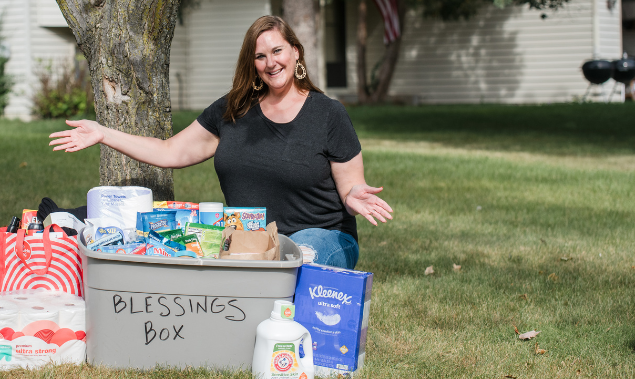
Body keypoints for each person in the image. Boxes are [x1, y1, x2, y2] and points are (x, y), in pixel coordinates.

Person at [46, 15, 392, 268]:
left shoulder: (328, 114)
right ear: (252, 63)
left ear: (296, 53)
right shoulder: (233, 110)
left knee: (299, 254)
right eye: (260, 56)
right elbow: (170, 151)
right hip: (248, 240)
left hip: (322, 237)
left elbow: (350, 190)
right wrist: (104, 133)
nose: (271, 63)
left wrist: (353, 195)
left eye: (278, 51)